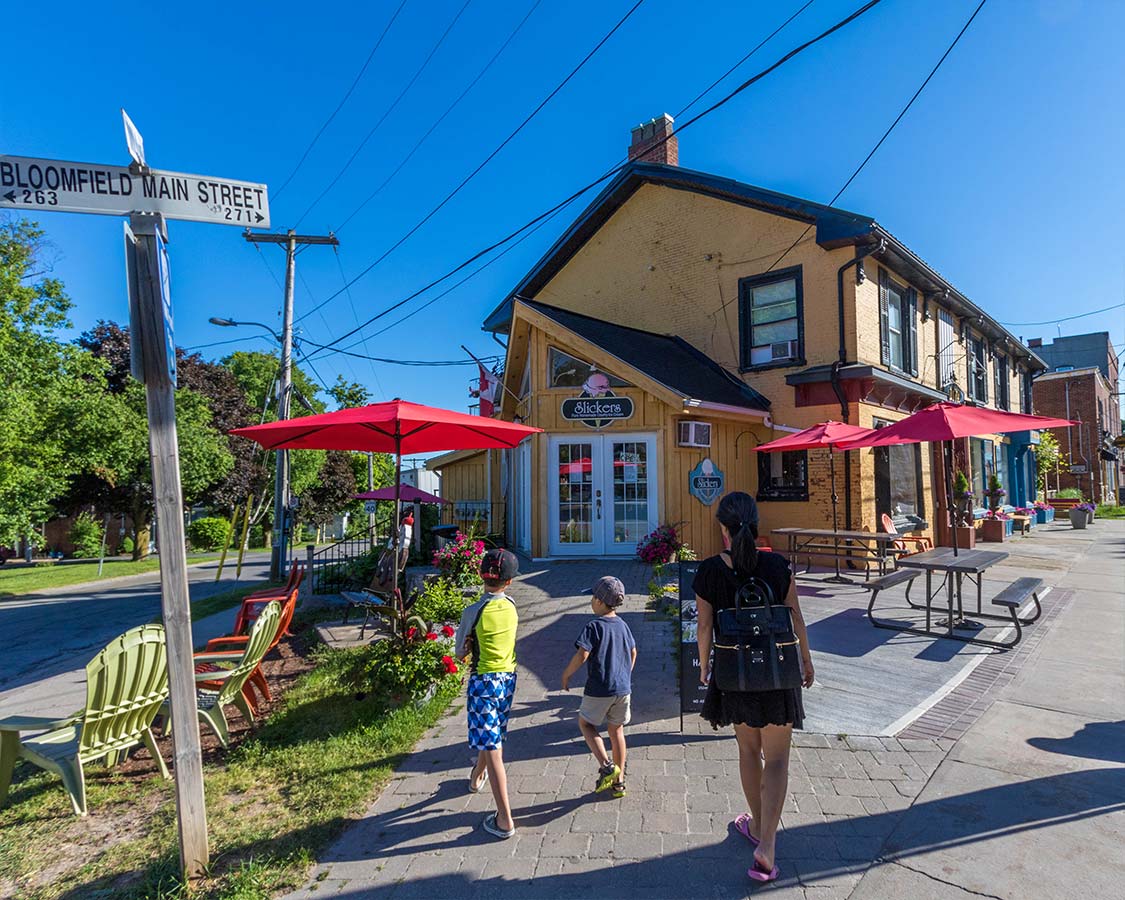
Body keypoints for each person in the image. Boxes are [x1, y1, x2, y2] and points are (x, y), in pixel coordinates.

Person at [693, 491, 814, 884]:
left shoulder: (710, 571)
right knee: (777, 760)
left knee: (749, 750)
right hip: (779, 674)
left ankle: (759, 829)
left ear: (723, 529)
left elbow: (705, 627)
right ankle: (768, 845)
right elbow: (796, 617)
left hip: (736, 675)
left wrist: (705, 666)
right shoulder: (778, 566)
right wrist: (807, 661)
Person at [455, 548, 520, 839]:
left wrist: (468, 646)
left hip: (483, 682)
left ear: (481, 576)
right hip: (508, 679)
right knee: (492, 733)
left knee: (493, 747)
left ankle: (505, 819)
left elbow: (460, 653)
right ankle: (476, 776)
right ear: (509, 582)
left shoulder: (473, 612)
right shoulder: (512, 606)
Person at [561, 575, 637, 798]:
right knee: (617, 730)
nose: (591, 601)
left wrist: (567, 675)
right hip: (623, 689)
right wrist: (625, 673)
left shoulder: (594, 626)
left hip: (599, 688)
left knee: (586, 724)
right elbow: (633, 652)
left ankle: (606, 766)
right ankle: (619, 781)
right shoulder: (623, 625)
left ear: (600, 601)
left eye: (593, 598)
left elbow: (583, 653)